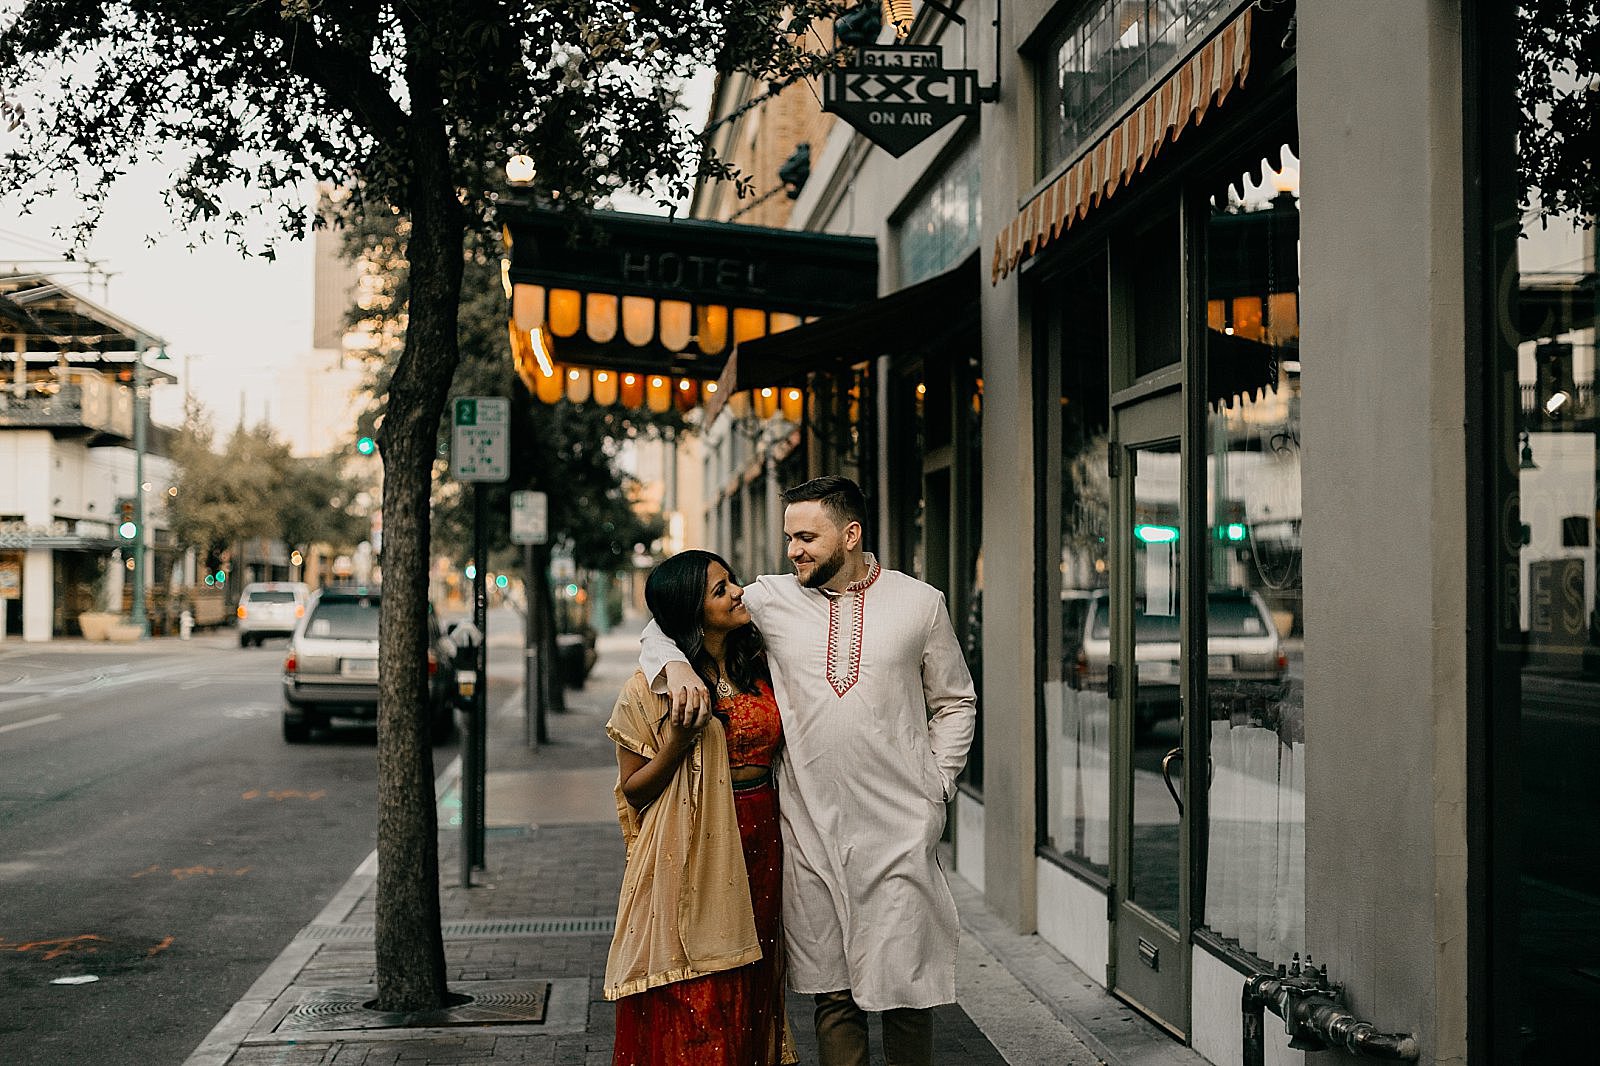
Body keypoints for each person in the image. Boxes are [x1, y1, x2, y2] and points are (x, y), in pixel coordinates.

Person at [642, 475, 977, 1066]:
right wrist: (676, 667)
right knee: (833, 995)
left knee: (906, 993)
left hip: (899, 829)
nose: (793, 550)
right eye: (789, 537)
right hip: (808, 831)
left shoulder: (919, 603)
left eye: (806, 537)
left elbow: (954, 702)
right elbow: (666, 619)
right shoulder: (769, 599)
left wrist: (937, 786)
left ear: (850, 535)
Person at [603, 550, 796, 1066]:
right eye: (720, 589)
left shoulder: (758, 665)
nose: (737, 591)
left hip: (764, 841)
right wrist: (678, 743)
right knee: (700, 986)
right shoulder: (650, 689)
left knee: (751, 983)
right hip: (695, 847)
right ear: (692, 612)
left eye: (731, 580)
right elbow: (634, 791)